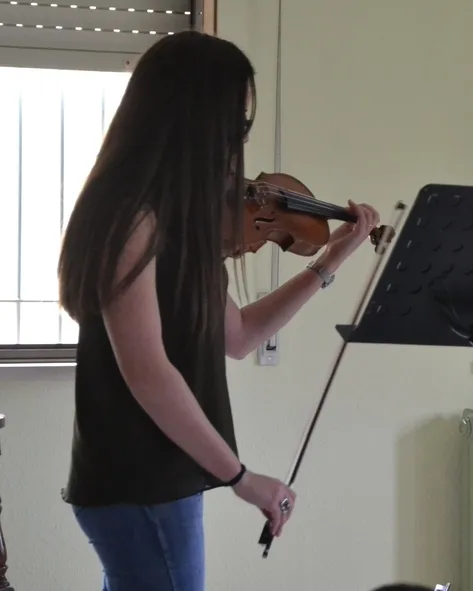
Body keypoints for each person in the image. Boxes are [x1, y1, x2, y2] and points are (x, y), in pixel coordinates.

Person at [57, 31, 379, 591]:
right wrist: (240, 476)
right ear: (195, 117)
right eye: (236, 119)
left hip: (159, 483)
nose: (240, 138)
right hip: (140, 484)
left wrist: (329, 261)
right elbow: (149, 373)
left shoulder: (174, 221)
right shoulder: (131, 219)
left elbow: (239, 334)